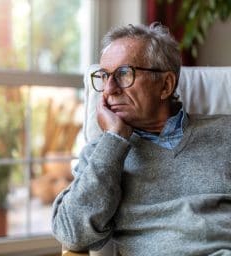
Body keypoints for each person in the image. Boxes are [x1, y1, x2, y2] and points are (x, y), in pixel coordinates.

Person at [52, 22, 231, 256]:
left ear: (166, 85)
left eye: (124, 74)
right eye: (104, 76)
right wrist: (114, 139)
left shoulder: (225, 132)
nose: (108, 89)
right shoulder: (102, 154)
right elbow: (72, 234)